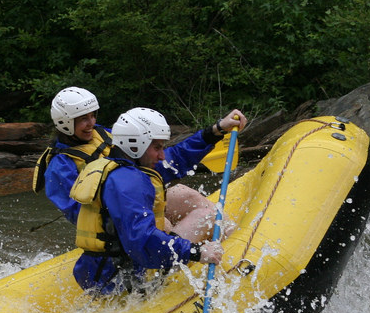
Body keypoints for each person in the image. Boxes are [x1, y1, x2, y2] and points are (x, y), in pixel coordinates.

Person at [71, 107, 246, 294]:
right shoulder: (128, 184)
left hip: (106, 272)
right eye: (157, 147)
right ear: (135, 145)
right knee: (207, 216)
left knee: (182, 193)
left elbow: (177, 157)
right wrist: (197, 252)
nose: (162, 155)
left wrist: (216, 130)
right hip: (123, 282)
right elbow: (143, 242)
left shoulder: (123, 167)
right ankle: (244, 252)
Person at [34, 86, 237, 243]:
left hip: (140, 202)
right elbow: (85, 216)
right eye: (82, 119)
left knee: (184, 193)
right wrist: (140, 216)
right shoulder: (59, 167)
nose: (91, 122)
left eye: (92, 115)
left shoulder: (103, 134)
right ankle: (177, 262)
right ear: (64, 122)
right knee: (165, 223)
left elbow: (164, 161)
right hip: (122, 223)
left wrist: (214, 132)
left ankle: (237, 242)